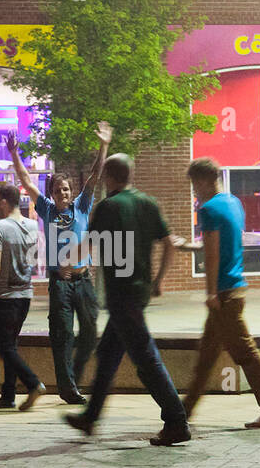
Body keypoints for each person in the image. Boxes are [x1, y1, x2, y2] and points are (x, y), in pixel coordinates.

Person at [64, 154, 190, 446]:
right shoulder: (148, 203)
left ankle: (176, 421)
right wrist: (159, 281)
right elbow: (170, 243)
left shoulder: (108, 207)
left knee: (146, 358)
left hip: (121, 294)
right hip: (140, 291)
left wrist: (67, 261)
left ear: (109, 176)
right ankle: (90, 418)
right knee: (108, 354)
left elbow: (88, 244)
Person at [174, 158, 260, 429]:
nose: (193, 191)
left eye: (193, 185)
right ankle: (182, 413)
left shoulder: (208, 209)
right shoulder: (233, 203)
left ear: (202, 181)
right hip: (236, 288)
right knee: (207, 357)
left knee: (245, 353)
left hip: (224, 293)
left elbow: (212, 254)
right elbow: (219, 243)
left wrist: (210, 292)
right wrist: (188, 246)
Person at [6, 121, 111, 404]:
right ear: (52, 194)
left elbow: (95, 175)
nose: (63, 194)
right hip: (61, 285)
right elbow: (27, 181)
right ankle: (68, 388)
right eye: (58, 190)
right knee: (62, 335)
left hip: (84, 281)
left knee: (90, 330)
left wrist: (104, 145)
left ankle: (73, 374)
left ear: (71, 191)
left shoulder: (82, 206)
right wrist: (15, 154)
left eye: (66, 190)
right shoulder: (48, 210)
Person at [0, 184, 46, 410]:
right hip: (25, 294)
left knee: (4, 346)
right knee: (11, 343)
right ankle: (8, 394)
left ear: (3, 201)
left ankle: (33, 383)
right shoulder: (32, 226)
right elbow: (32, 259)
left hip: (4, 295)